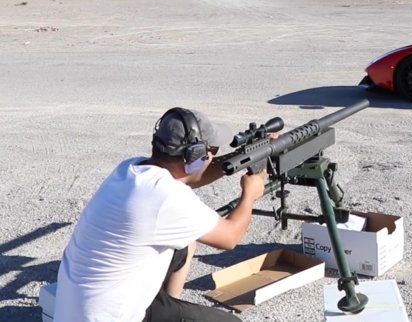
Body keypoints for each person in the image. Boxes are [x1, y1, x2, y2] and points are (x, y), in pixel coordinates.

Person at [54, 107, 269, 322]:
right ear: (194, 156)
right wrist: (250, 193)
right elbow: (230, 237)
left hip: (81, 311)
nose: (213, 155)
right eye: (211, 150)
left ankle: (169, 303)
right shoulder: (168, 198)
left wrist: (243, 157)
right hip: (115, 317)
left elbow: (193, 175)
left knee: (184, 245)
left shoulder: (131, 168)